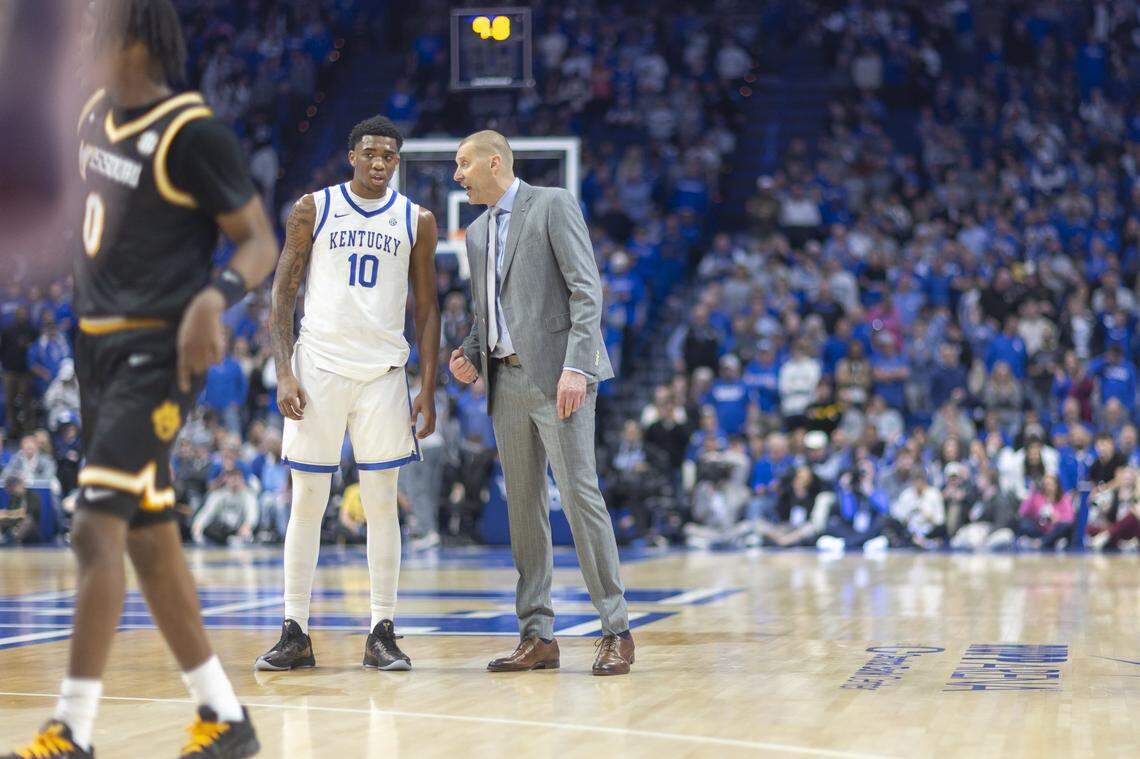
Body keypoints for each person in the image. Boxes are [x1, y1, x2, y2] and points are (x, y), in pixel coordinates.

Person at [3, 2, 278, 756]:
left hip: (159, 356)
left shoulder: (194, 133)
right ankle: (223, 715)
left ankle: (72, 730)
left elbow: (261, 241)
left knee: (96, 527)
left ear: (127, 39)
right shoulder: (90, 113)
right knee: (151, 542)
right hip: (93, 351)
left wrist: (215, 298)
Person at [256, 115, 440, 674]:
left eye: (389, 154)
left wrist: (427, 387)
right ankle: (295, 631)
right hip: (318, 369)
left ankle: (381, 630)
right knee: (307, 502)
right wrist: (284, 372)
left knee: (383, 504)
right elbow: (283, 291)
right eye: (370, 153)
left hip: (383, 373)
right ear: (351, 156)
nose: (380, 162)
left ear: (397, 161)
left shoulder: (418, 220)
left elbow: (427, 309)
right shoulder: (315, 208)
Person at [448, 130, 633, 675]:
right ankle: (537, 635)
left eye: (464, 164)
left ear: (494, 162)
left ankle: (616, 630)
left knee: (579, 497)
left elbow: (586, 289)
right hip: (504, 382)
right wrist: (470, 353)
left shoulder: (552, 203)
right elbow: (489, 314)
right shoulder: (476, 231)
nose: (457, 175)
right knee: (522, 509)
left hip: (561, 377)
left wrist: (577, 366)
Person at [191, 469, 259, 545]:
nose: (235, 483)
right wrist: (198, 526)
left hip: (239, 528)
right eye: (232, 479)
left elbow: (252, 514)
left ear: (242, 480)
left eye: (237, 479)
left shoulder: (248, 495)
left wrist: (247, 526)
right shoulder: (218, 494)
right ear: (226, 479)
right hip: (221, 530)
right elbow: (207, 512)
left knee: (247, 534)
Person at [0, 475, 40, 545]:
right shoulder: (13, 498)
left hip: (30, 529)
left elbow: (27, 514)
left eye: (9, 488)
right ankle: (3, 540)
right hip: (14, 524)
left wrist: (7, 513)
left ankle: (14, 541)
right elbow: (11, 516)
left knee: (27, 521)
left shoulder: (32, 496)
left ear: (16, 485)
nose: (7, 491)